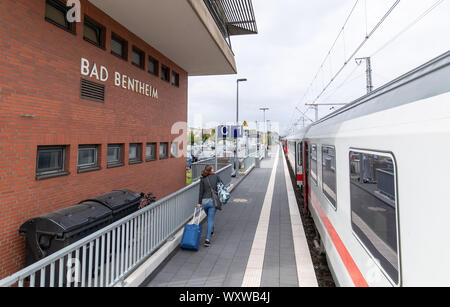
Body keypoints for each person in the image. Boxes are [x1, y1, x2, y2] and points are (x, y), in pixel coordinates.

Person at [197, 165, 222, 247]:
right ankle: (207, 240)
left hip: (204, 202)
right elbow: (221, 186)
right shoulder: (216, 176)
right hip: (212, 201)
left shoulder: (203, 178)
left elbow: (201, 192)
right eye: (212, 168)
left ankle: (211, 229)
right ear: (211, 170)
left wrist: (199, 203)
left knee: (209, 217)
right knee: (210, 219)